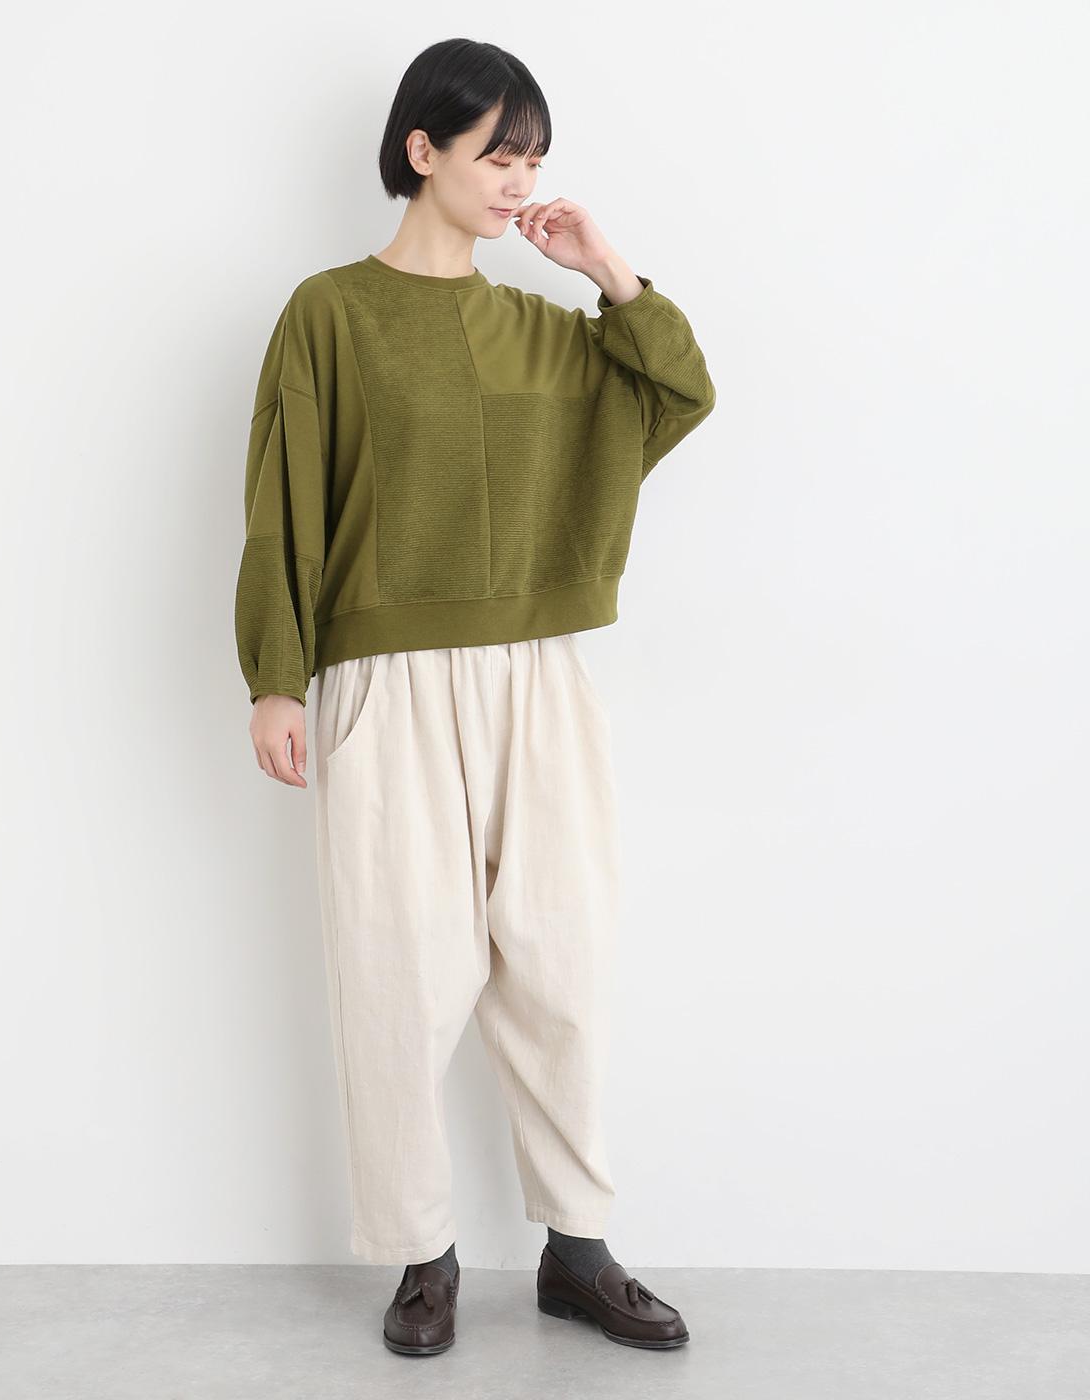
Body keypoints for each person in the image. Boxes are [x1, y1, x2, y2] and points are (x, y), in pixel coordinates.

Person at [234, 37, 716, 1355]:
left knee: (561, 959)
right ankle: (422, 1254)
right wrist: (276, 676)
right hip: (382, 679)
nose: (518, 180)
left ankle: (578, 1250)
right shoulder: (331, 313)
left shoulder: (547, 332)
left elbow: (678, 391)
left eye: (533, 158)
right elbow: (282, 500)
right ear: (422, 149)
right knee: (398, 969)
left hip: (535, 677)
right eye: (498, 153)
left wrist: (608, 274)